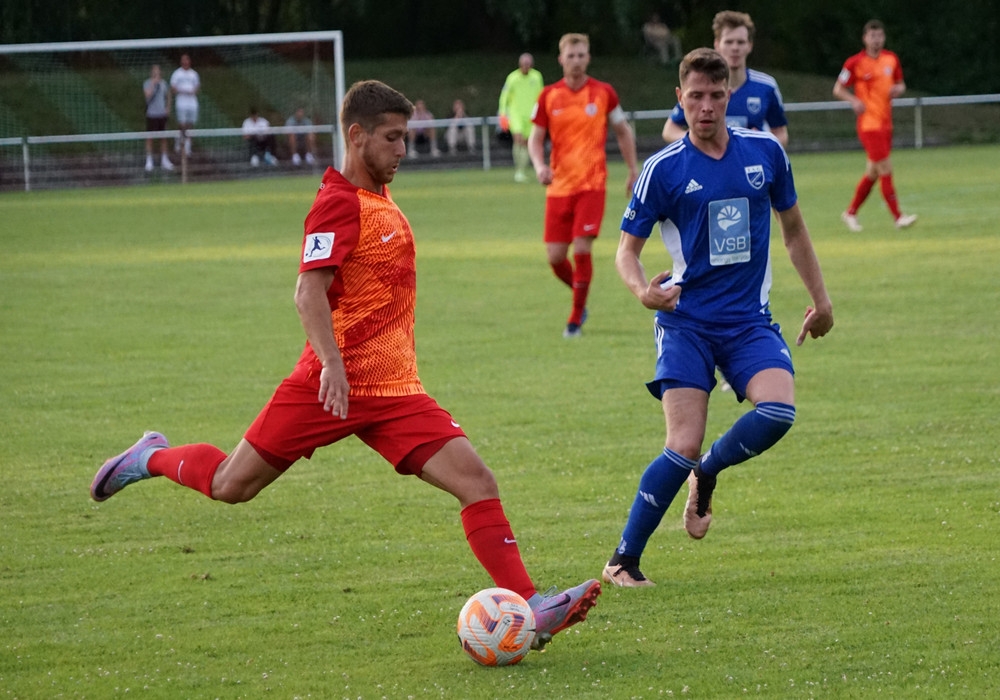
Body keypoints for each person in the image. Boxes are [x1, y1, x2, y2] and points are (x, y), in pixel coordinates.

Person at [90, 79, 600, 651]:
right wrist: (331, 364)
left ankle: (528, 606)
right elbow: (308, 292)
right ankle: (149, 456)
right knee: (232, 485)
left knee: (477, 481)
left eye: (405, 138)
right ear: (356, 137)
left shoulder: (381, 197)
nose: (403, 150)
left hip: (396, 392)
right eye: (392, 138)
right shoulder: (337, 202)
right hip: (327, 386)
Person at [602, 49, 833, 588]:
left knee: (778, 413)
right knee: (681, 443)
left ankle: (708, 471)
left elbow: (794, 230)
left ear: (729, 96)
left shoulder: (765, 154)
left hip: (749, 320)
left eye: (716, 95)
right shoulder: (663, 170)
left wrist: (822, 302)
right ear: (679, 100)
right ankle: (622, 561)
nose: (706, 107)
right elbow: (625, 252)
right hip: (686, 323)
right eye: (696, 97)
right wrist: (642, 293)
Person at [528, 33, 639, 338]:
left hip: (592, 185)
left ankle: (575, 319)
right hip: (559, 187)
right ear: (561, 59)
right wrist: (539, 166)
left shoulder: (604, 93)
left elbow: (623, 131)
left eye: (581, 55)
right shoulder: (549, 96)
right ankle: (581, 291)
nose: (576, 61)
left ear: (588, 58)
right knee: (555, 258)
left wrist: (632, 169)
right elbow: (536, 139)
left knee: (581, 249)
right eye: (571, 55)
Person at [834, 19, 917, 231]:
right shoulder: (854, 63)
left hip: (886, 123)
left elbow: (901, 83)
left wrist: (899, 89)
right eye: (872, 36)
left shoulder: (891, 59)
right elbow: (838, 89)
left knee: (872, 173)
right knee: (886, 168)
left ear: (884, 37)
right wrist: (853, 101)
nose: (876, 40)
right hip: (869, 124)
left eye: (879, 35)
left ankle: (850, 213)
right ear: (864, 38)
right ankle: (899, 217)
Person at [662, 11, 788, 147]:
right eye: (729, 42)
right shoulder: (703, 88)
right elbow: (669, 130)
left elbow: (781, 133)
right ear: (717, 45)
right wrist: (700, 140)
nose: (735, 48)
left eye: (740, 42)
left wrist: (760, 144)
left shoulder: (766, 86)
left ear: (749, 45)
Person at [498, 53, 544, 182]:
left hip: (531, 114)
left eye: (528, 64)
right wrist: (502, 114)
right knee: (518, 139)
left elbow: (541, 96)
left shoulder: (536, 76)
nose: (526, 66)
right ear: (520, 64)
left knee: (527, 142)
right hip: (516, 114)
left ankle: (523, 169)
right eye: (524, 64)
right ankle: (519, 170)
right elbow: (504, 96)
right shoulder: (512, 78)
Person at [142, 64, 174, 172]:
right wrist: (153, 83)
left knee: (163, 137)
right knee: (150, 138)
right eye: (154, 71)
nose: (156, 73)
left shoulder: (163, 83)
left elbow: (168, 95)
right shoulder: (147, 83)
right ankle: (149, 160)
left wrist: (168, 108)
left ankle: (164, 159)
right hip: (151, 114)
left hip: (162, 114)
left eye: (158, 71)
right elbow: (147, 95)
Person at [170, 53, 200, 157]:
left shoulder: (194, 74)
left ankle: (188, 146)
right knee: (182, 124)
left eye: (187, 60)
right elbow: (173, 88)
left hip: (192, 102)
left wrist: (192, 92)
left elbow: (197, 87)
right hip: (181, 102)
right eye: (183, 60)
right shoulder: (177, 74)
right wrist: (182, 91)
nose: (185, 62)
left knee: (190, 124)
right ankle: (178, 141)